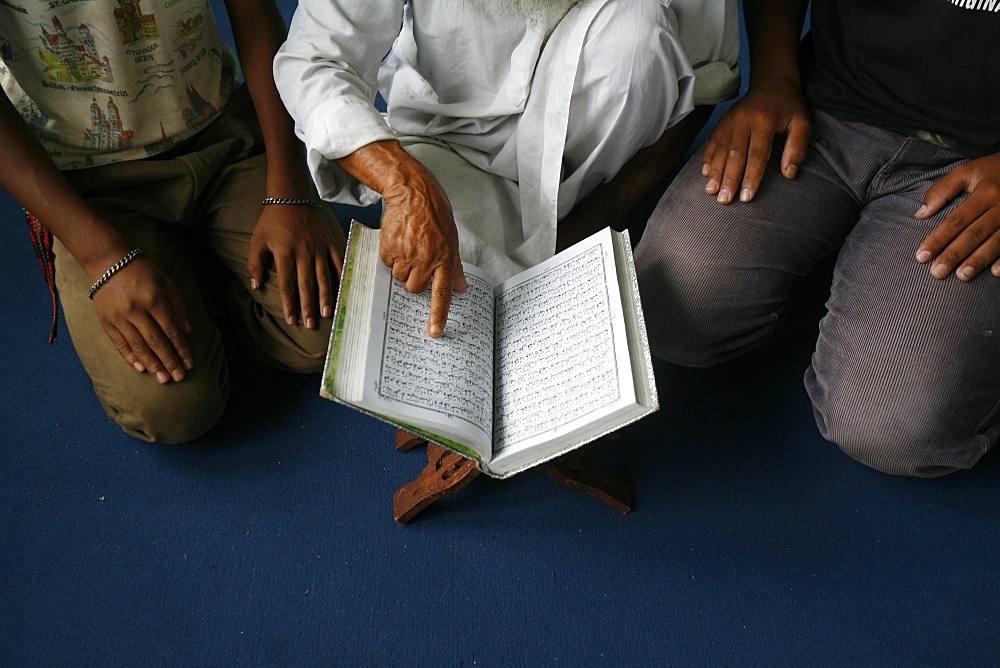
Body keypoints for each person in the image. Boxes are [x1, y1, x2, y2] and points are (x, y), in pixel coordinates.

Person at [635, 0, 1000, 476]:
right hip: (827, 102)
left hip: (979, 166)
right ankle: (856, 270)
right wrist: (773, 79)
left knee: (890, 432)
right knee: (658, 316)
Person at [273, 0, 741, 337]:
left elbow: (701, 82)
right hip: (449, 140)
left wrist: (590, 228)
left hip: (595, 157)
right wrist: (403, 185)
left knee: (642, 36)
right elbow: (312, 60)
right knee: (452, 319)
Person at [0, 0, 346, 443]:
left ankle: (200, 264)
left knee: (332, 336)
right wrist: (100, 256)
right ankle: (189, 267)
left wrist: (290, 187)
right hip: (87, 186)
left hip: (221, 134)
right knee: (175, 410)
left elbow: (255, 14)